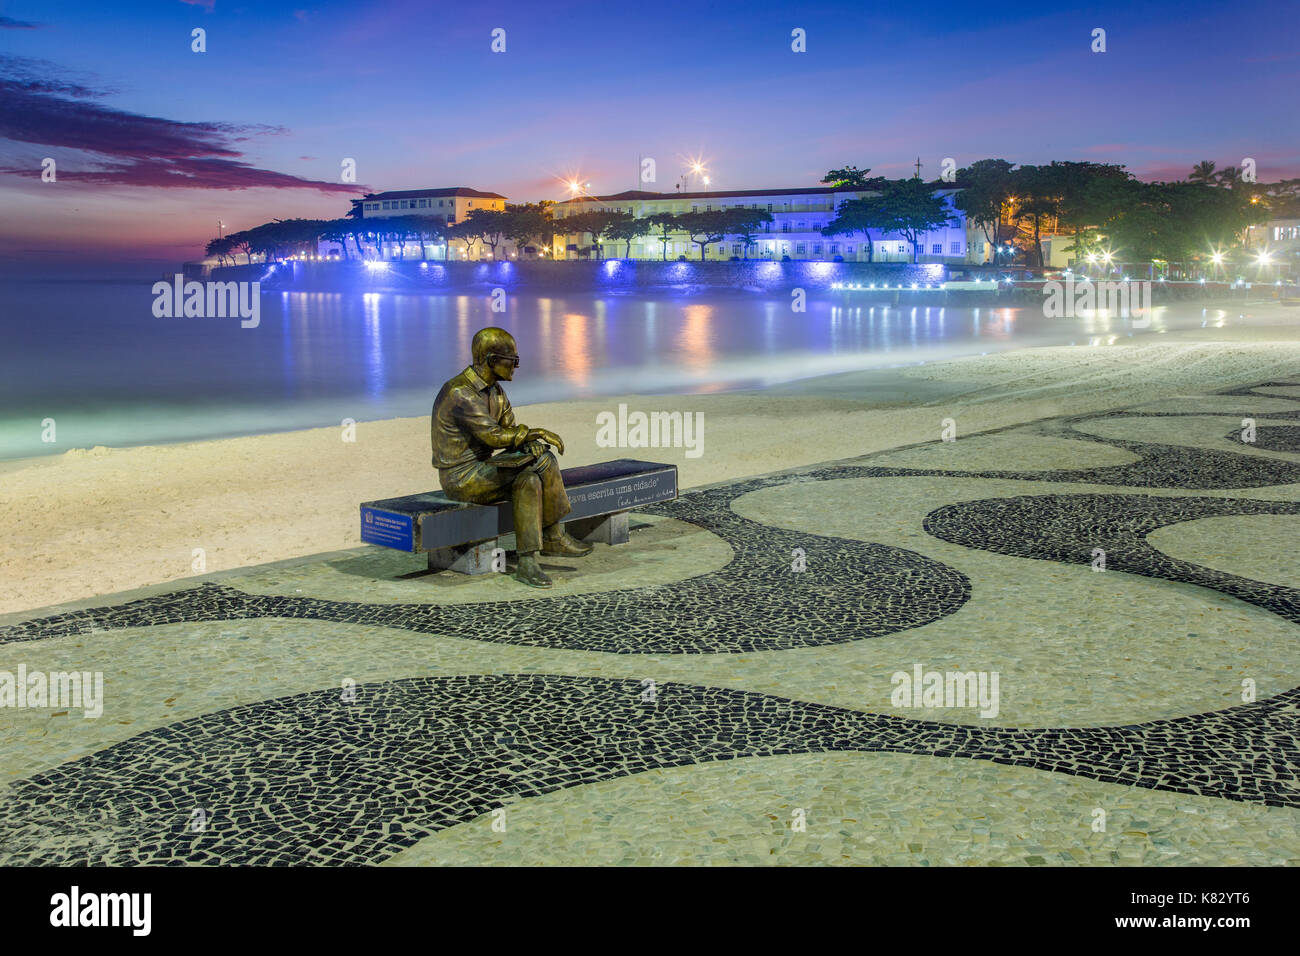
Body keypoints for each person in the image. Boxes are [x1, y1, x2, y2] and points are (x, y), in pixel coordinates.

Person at [431, 327, 592, 588]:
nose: (516, 367)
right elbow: (494, 437)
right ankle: (551, 537)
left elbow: (510, 430)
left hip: (485, 469)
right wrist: (534, 434)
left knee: (529, 478)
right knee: (542, 463)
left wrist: (529, 445)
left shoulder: (495, 391)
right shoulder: (461, 393)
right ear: (493, 360)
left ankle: (530, 560)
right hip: (461, 477)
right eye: (513, 361)